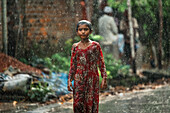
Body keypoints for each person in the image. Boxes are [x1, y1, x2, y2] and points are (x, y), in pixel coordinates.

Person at [67, 20, 107, 113]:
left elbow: (101, 62)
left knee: (91, 103)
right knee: (78, 103)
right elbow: (73, 65)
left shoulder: (95, 46)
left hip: (92, 79)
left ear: (91, 31)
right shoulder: (75, 47)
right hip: (79, 78)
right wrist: (69, 80)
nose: (83, 32)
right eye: (80, 30)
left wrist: (104, 77)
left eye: (86, 29)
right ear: (77, 32)